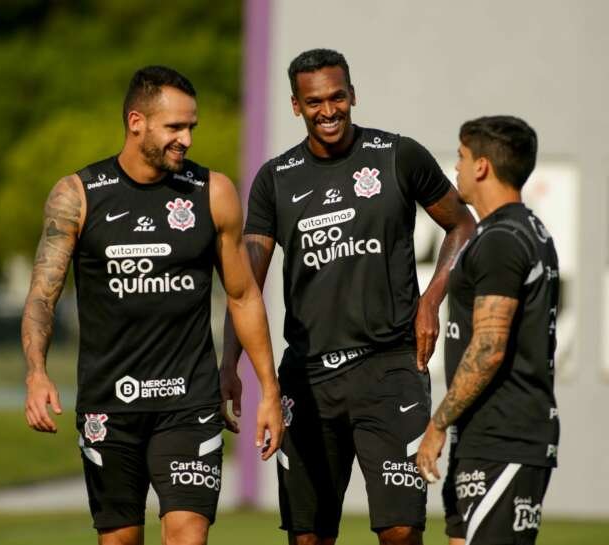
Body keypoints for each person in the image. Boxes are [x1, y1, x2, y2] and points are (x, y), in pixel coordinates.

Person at [221, 49, 475, 545]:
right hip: (309, 377)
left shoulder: (399, 156)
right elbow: (243, 286)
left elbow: (463, 224)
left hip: (391, 369)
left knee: (401, 531)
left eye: (338, 97)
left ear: (353, 95)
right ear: (297, 106)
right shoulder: (275, 179)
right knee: (308, 536)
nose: (329, 110)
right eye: (314, 101)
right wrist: (230, 363)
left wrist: (431, 298)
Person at [21, 65, 283, 545]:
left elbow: (243, 295)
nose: (185, 138)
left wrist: (266, 386)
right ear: (136, 121)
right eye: (174, 127)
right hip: (109, 405)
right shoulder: (76, 195)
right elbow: (42, 293)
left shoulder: (213, 193)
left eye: (191, 128)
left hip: (188, 402)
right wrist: (37, 372)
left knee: (188, 534)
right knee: (119, 539)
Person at [415, 116, 560, 545]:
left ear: (482, 166)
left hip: (506, 438)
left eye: (460, 157)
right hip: (481, 436)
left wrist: (437, 424)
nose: (455, 168)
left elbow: (490, 346)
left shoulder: (502, 240)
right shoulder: (521, 230)